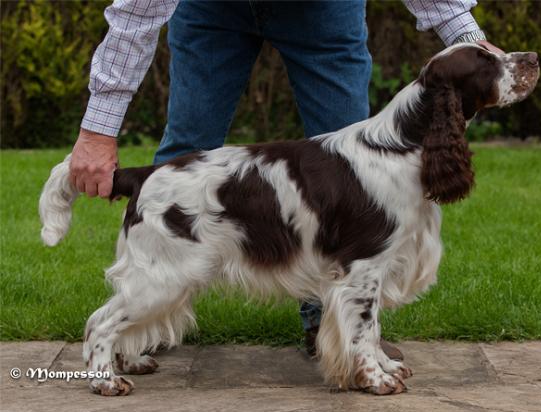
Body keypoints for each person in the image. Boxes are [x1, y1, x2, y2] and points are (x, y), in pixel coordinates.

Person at [69, 0, 503, 358]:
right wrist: (96, 130)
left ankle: (337, 332)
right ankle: (134, 331)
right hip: (211, 10)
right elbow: (139, 10)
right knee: (186, 155)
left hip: (323, 10)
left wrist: (467, 41)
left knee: (357, 182)